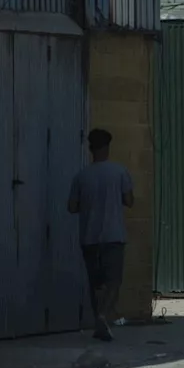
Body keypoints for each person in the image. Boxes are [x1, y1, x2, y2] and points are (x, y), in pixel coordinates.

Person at [67, 128, 134, 342]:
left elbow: (72, 207)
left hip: (89, 238)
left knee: (95, 283)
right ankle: (104, 316)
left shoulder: (81, 176)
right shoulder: (120, 171)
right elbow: (129, 200)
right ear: (107, 147)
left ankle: (99, 320)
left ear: (91, 148)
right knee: (113, 281)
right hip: (113, 236)